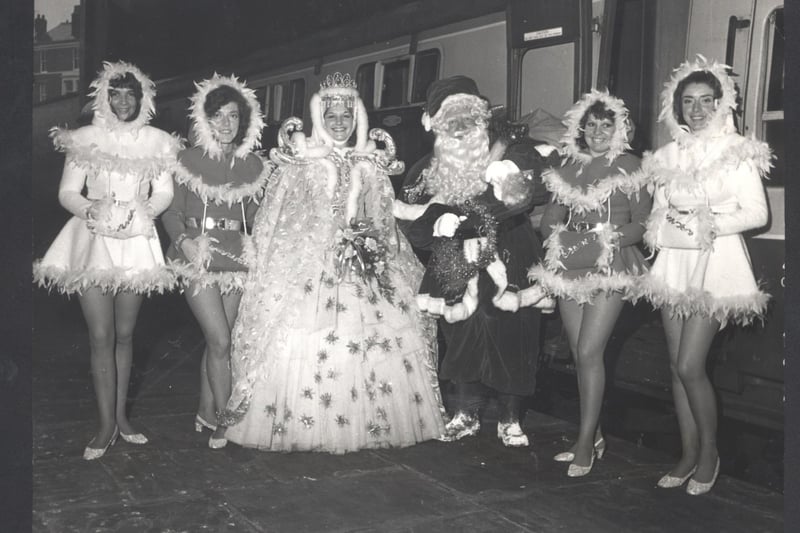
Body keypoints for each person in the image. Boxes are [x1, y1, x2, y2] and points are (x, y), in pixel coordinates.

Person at [219, 72, 445, 453]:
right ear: (318, 118)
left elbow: (385, 212)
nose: (338, 124)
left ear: (355, 118)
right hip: (312, 261)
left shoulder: (368, 161)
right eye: (331, 117)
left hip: (363, 261)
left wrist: (408, 223)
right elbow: (279, 213)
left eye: (345, 117)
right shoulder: (302, 160)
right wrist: (277, 254)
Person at [636, 56, 771, 495]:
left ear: (721, 103)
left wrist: (708, 221)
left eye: (705, 100)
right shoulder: (665, 155)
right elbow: (658, 211)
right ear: (677, 106)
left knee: (692, 365)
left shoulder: (738, 151)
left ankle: (710, 453)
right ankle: (688, 452)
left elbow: (758, 213)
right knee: (676, 369)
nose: (696, 109)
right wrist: (659, 227)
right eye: (688, 101)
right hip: (674, 264)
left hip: (717, 264)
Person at [33, 61, 178, 460]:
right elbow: (67, 192)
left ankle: (122, 419)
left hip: (134, 240)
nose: (125, 101)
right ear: (105, 96)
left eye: (132, 94)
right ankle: (104, 426)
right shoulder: (86, 137)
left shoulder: (158, 140)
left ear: (142, 97)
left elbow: (163, 192)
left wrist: (143, 211)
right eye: (117, 93)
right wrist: (90, 209)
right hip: (94, 239)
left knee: (126, 335)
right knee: (101, 336)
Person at [398, 76, 549, 448]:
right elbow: (409, 222)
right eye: (452, 118)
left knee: (514, 334)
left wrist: (506, 183)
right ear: (435, 122)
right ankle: (465, 413)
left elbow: (536, 188)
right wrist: (437, 222)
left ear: (482, 116)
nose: (461, 125)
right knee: (461, 333)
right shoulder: (425, 169)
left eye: (468, 115)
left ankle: (511, 419)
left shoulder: (513, 149)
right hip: (455, 258)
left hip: (510, 251)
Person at [527, 90, 651, 476]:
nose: (598, 131)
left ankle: (584, 444)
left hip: (611, 263)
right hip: (570, 262)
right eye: (591, 124)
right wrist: (567, 231)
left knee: (589, 352)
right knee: (579, 355)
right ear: (582, 128)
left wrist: (609, 235)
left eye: (605, 124)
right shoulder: (569, 167)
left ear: (619, 127)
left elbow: (645, 224)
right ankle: (592, 435)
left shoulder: (632, 166)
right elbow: (550, 220)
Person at [161, 74, 270, 449]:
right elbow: (170, 213)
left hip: (237, 258)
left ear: (244, 121)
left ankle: (206, 412)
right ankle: (226, 420)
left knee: (219, 342)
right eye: (219, 116)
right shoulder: (186, 161)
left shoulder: (254, 164)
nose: (226, 124)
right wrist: (184, 242)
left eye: (234, 117)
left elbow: (258, 218)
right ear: (204, 120)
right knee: (221, 339)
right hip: (198, 256)